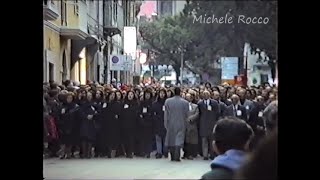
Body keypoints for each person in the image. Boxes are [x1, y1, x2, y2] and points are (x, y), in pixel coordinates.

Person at [164, 86, 189, 161]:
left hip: (171, 123)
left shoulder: (168, 101)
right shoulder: (185, 102)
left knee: (171, 139)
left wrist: (166, 123)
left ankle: (172, 156)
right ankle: (177, 156)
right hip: (181, 123)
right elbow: (187, 114)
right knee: (179, 140)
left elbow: (166, 114)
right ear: (180, 92)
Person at [198, 90, 220, 160]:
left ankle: (212, 154)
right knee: (204, 141)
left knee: (211, 140)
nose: (205, 95)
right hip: (203, 124)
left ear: (210, 95)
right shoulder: (200, 103)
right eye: (204, 94)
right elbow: (199, 114)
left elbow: (217, 113)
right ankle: (205, 155)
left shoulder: (214, 103)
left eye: (207, 94)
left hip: (212, 124)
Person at [121, 90, 139, 158]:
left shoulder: (136, 103)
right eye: (129, 94)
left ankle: (130, 152)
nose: (130, 96)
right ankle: (126, 151)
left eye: (131, 94)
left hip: (133, 124)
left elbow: (136, 113)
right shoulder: (124, 103)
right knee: (125, 138)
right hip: (125, 124)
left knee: (131, 139)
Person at [137, 88, 154, 158]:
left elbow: (153, 113)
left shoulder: (152, 103)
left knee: (149, 139)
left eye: (148, 94)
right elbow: (139, 113)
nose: (147, 95)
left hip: (150, 123)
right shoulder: (142, 103)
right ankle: (142, 151)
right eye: (146, 94)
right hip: (142, 123)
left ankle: (148, 152)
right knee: (142, 138)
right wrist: (141, 120)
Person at [152, 88, 168, 158]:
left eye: (163, 93)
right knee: (158, 138)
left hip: (165, 122)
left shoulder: (167, 103)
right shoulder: (155, 103)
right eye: (160, 93)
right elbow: (153, 113)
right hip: (157, 123)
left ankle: (165, 151)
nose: (162, 94)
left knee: (165, 138)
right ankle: (159, 152)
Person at [184, 93, 199, 160]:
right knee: (185, 141)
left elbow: (197, 114)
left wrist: (190, 119)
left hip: (192, 125)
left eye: (189, 97)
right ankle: (186, 154)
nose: (188, 98)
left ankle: (191, 154)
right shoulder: (183, 106)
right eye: (186, 97)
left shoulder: (195, 106)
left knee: (192, 141)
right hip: (185, 125)